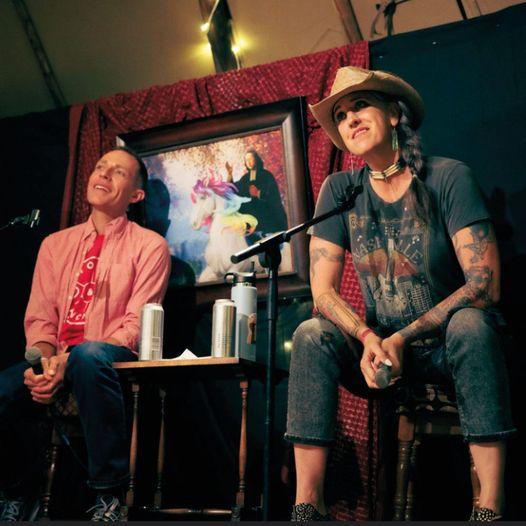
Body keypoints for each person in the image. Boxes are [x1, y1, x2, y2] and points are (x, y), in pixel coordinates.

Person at [285, 66, 516, 522]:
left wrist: (402, 338)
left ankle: (490, 506)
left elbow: (484, 285)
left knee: (471, 323)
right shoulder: (340, 190)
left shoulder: (447, 177)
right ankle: (307, 505)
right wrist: (369, 337)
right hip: (381, 354)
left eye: (360, 106)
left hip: (447, 348)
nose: (350, 119)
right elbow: (322, 291)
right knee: (312, 333)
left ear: (393, 114)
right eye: (341, 115)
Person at [0, 146, 171, 521]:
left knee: (88, 356)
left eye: (118, 172)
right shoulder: (54, 245)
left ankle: (109, 496)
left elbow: (136, 326)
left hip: (111, 359)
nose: (104, 174)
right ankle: (16, 492)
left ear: (136, 195)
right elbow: (41, 320)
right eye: (100, 167)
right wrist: (45, 364)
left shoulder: (150, 246)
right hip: (57, 357)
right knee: (4, 387)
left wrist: (70, 361)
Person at [226, 149, 288, 239]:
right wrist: (230, 174)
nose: (248, 162)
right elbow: (234, 190)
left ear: (256, 159)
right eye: (246, 160)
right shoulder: (245, 178)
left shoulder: (266, 175)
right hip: (253, 223)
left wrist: (258, 193)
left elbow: (273, 195)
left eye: (251, 159)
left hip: (267, 219)